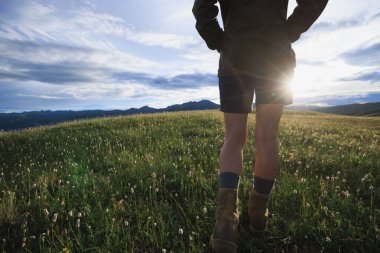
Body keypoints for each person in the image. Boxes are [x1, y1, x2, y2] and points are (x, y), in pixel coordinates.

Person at [192, 0, 329, 252]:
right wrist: (288, 31)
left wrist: (220, 40)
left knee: (234, 137)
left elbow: (202, 8)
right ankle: (258, 213)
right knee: (267, 137)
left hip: (236, 54)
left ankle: (225, 224)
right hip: (275, 56)